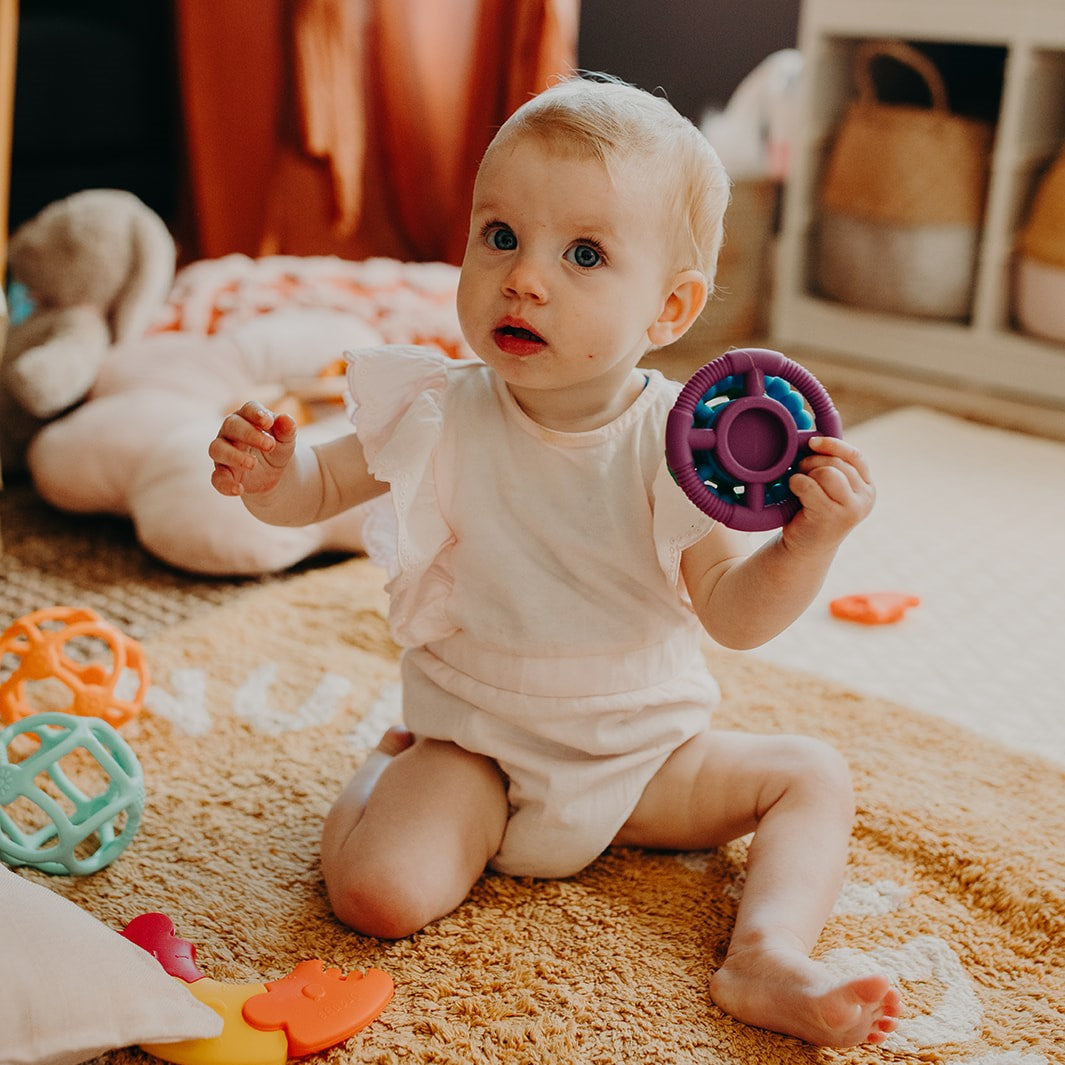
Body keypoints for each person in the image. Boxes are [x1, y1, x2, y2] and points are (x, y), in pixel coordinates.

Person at [209, 74, 898, 1048]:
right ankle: (385, 767)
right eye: (500, 237)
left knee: (811, 775)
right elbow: (311, 493)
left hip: (648, 756)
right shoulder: (434, 409)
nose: (525, 278)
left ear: (671, 308)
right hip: (476, 747)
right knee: (374, 895)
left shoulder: (675, 442)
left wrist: (809, 539)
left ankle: (767, 952)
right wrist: (272, 470)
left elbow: (737, 618)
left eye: (583, 254)